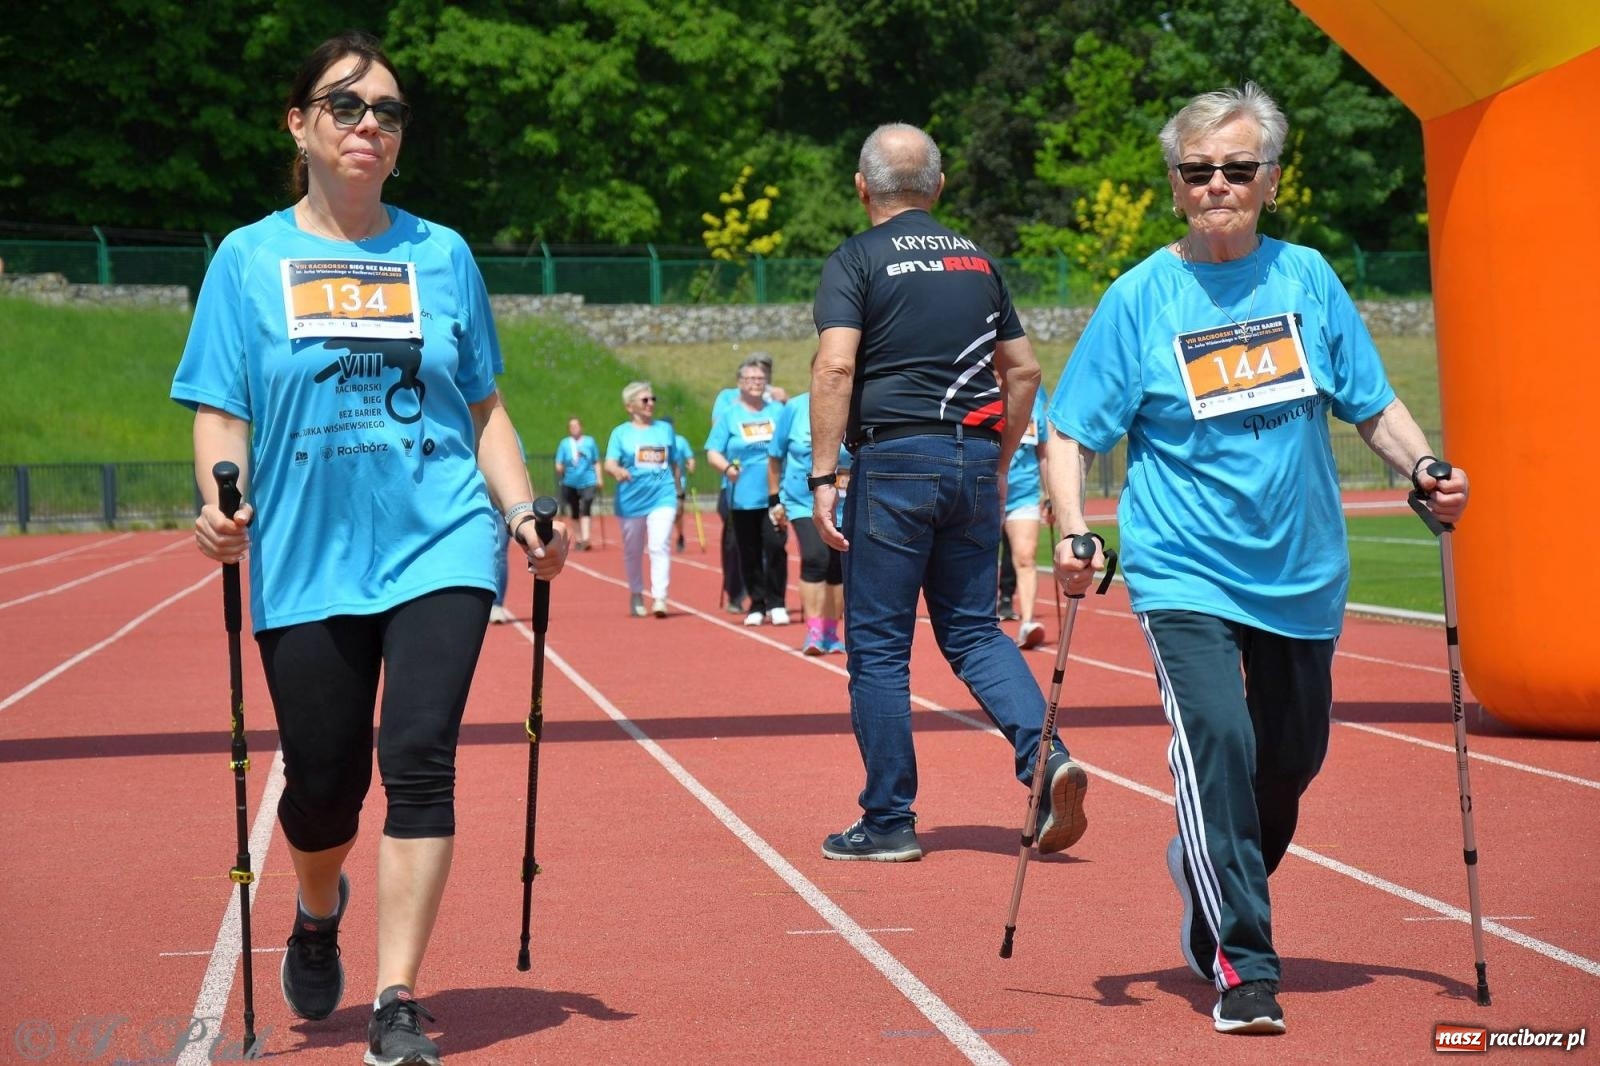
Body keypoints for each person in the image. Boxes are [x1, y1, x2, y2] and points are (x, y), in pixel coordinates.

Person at [171, 29, 569, 1066]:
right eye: (345, 106)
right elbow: (219, 407)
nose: (369, 126)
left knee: (421, 758)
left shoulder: (442, 254)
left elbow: (481, 404)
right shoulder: (246, 259)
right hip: (306, 558)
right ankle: (315, 906)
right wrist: (221, 501)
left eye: (387, 112)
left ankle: (397, 996)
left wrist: (520, 510)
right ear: (298, 125)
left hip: (441, 539)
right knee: (323, 783)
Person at [1045, 83, 1470, 1036]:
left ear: (1271, 180)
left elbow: (1372, 404)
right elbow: (1069, 433)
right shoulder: (1141, 295)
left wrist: (1429, 467)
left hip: (1301, 571)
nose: (1218, 186)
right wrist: (1072, 530)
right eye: (1199, 172)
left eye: (1238, 169)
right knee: (1219, 746)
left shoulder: (1308, 278)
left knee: (1290, 760)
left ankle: (1205, 869)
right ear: (1175, 184)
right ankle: (1245, 963)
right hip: (1182, 568)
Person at [808, 122, 1088, 863]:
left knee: (878, 648)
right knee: (971, 632)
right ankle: (1046, 759)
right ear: (938, 186)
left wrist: (822, 474)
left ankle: (889, 820)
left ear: (863, 187)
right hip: (971, 460)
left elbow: (835, 370)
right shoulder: (978, 260)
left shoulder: (855, 259)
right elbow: (1023, 371)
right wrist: (997, 458)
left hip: (895, 459)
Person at [707, 356, 790, 626]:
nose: (756, 384)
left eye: (760, 379)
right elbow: (713, 452)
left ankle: (777, 602)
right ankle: (756, 603)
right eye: (750, 379)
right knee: (748, 549)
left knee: (776, 546)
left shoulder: (777, 411)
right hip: (742, 495)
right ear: (740, 383)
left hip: (775, 491)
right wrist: (727, 468)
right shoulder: (730, 415)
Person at [768, 391, 848, 654]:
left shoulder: (859, 402)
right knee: (815, 558)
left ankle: (831, 631)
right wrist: (774, 499)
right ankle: (813, 632)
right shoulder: (795, 407)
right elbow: (775, 455)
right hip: (803, 501)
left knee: (838, 566)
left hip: (846, 502)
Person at [604, 381, 680, 618]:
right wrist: (617, 472)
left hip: (662, 495)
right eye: (645, 400)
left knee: (659, 545)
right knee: (633, 550)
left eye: (653, 399)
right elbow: (609, 462)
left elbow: (674, 461)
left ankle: (660, 597)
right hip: (631, 499)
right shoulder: (620, 433)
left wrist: (678, 489)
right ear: (630, 406)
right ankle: (636, 593)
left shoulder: (665, 430)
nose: (650, 404)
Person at [1003, 387, 1052, 649]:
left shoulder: (1034, 405)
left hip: (1023, 493)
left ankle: (1028, 622)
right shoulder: (983, 396)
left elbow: (1043, 452)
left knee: (1025, 556)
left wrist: (1050, 493)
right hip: (985, 492)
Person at [554, 416, 601, 551]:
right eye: (572, 426)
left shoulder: (590, 442)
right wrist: (560, 468)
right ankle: (579, 538)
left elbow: (596, 460)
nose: (574, 428)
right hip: (570, 481)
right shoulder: (564, 443)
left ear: (581, 427)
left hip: (588, 480)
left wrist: (599, 478)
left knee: (586, 506)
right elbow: (559, 462)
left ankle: (586, 538)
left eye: (576, 425)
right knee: (574, 509)